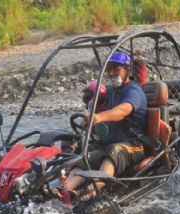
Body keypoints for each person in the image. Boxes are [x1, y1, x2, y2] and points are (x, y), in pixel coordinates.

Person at [61, 51, 148, 200]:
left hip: (133, 144)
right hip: (107, 142)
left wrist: (98, 117)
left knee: (114, 151)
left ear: (127, 71)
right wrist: (89, 112)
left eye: (116, 69)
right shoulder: (110, 90)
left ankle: (90, 191)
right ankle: (63, 191)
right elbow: (95, 98)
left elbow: (121, 111)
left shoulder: (134, 91)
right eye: (109, 70)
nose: (112, 73)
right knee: (85, 158)